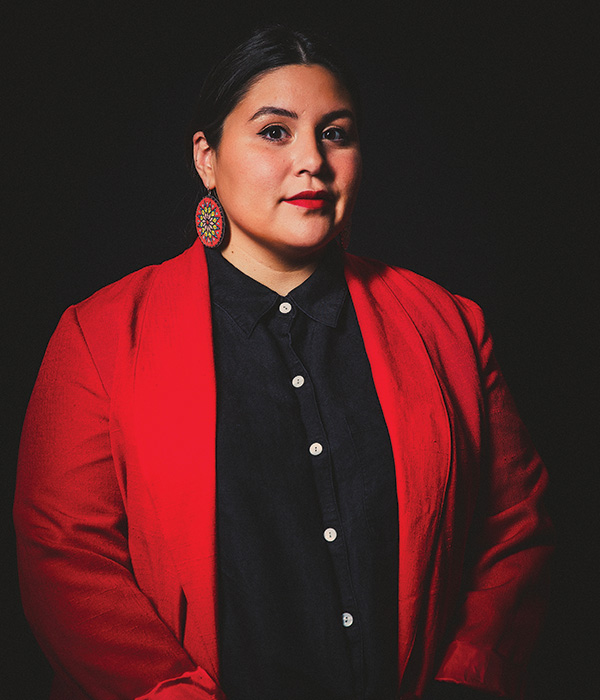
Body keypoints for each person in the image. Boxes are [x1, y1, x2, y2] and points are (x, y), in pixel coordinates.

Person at [14, 24, 552, 700]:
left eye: (337, 133)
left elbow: (515, 529)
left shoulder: (451, 325)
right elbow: (65, 557)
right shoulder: (98, 336)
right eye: (275, 132)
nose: (312, 162)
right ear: (206, 159)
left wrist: (466, 676)